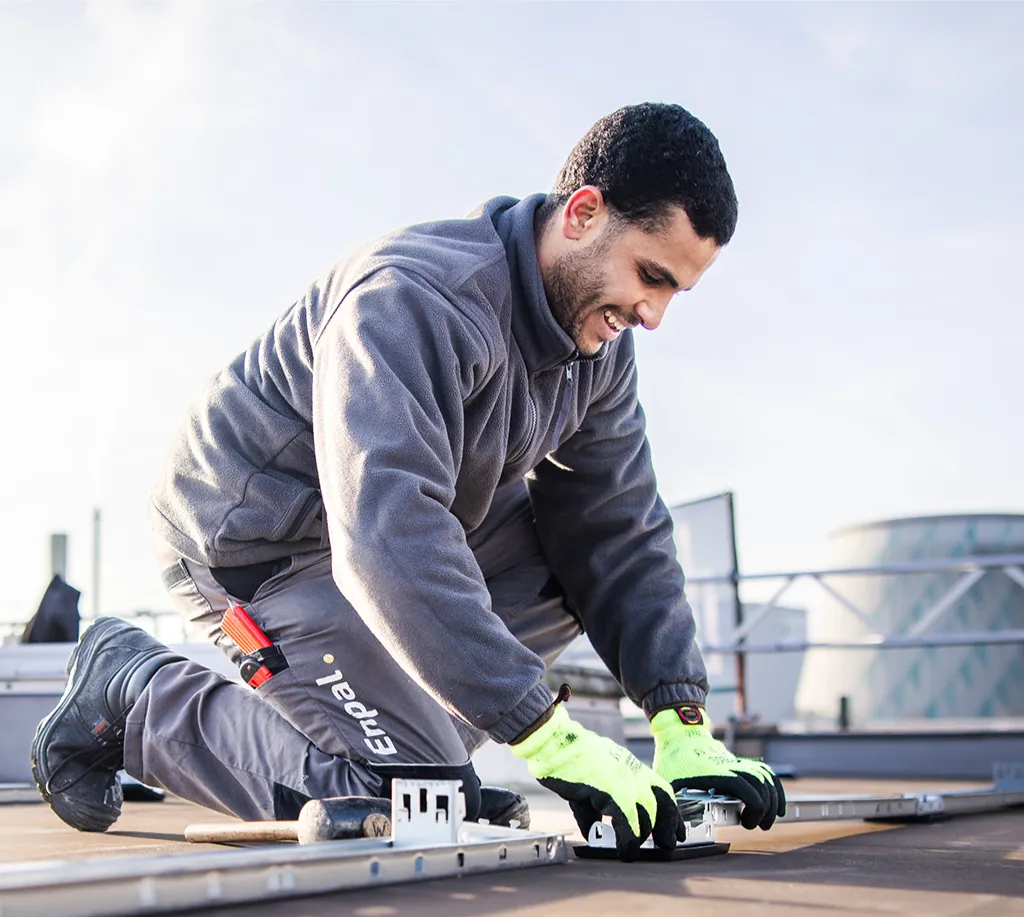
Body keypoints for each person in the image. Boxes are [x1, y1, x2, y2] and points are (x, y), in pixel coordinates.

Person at [32, 102, 785, 860]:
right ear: (584, 214)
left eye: (675, 293)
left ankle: (411, 752)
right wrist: (546, 735)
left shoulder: (600, 350)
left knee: (571, 556)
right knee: (418, 797)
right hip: (259, 540)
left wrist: (680, 723)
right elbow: (387, 534)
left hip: (382, 532)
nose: (653, 315)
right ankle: (135, 698)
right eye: (650, 275)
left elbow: (617, 528)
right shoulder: (414, 297)